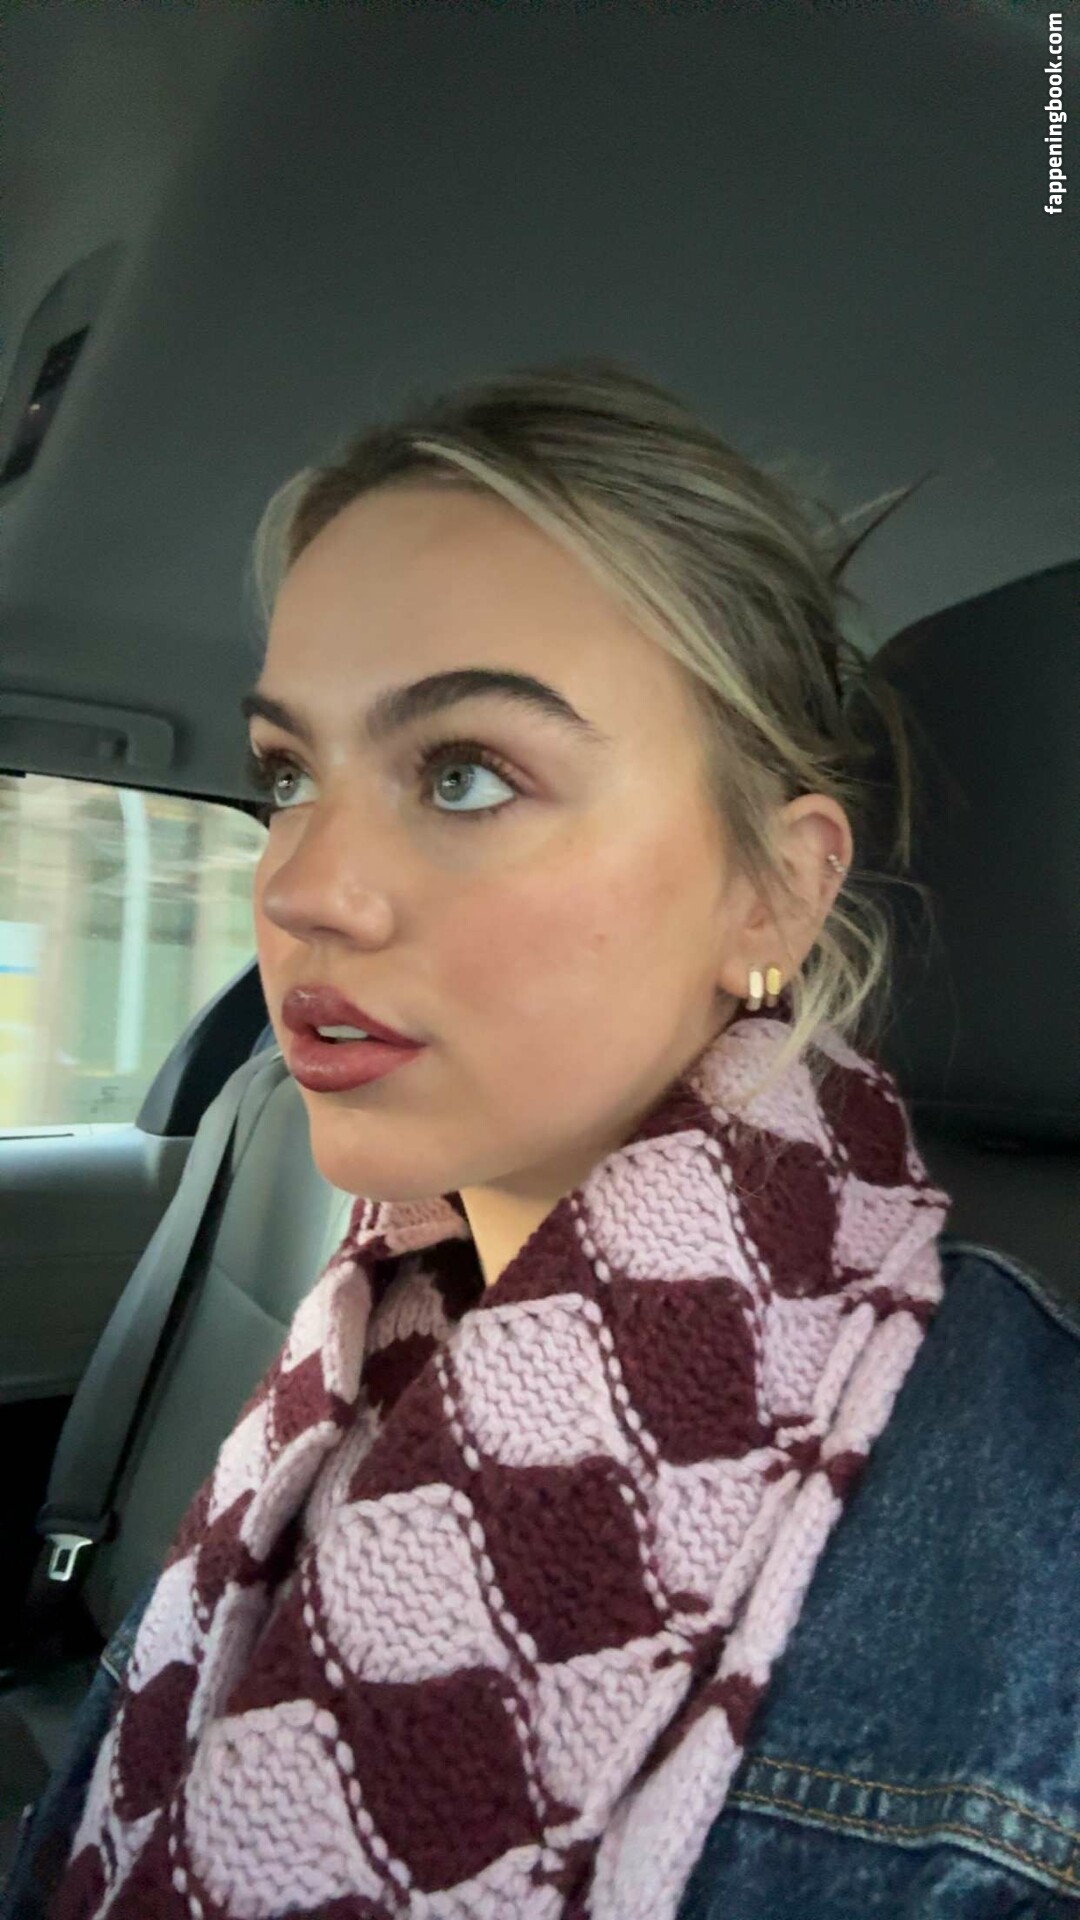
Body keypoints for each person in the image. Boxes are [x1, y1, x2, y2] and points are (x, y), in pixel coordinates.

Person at [8, 359, 1076, 1919]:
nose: (297, 885)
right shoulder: (366, 1329)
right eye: (287, 774)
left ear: (774, 893)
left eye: (464, 774)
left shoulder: (1033, 1539)